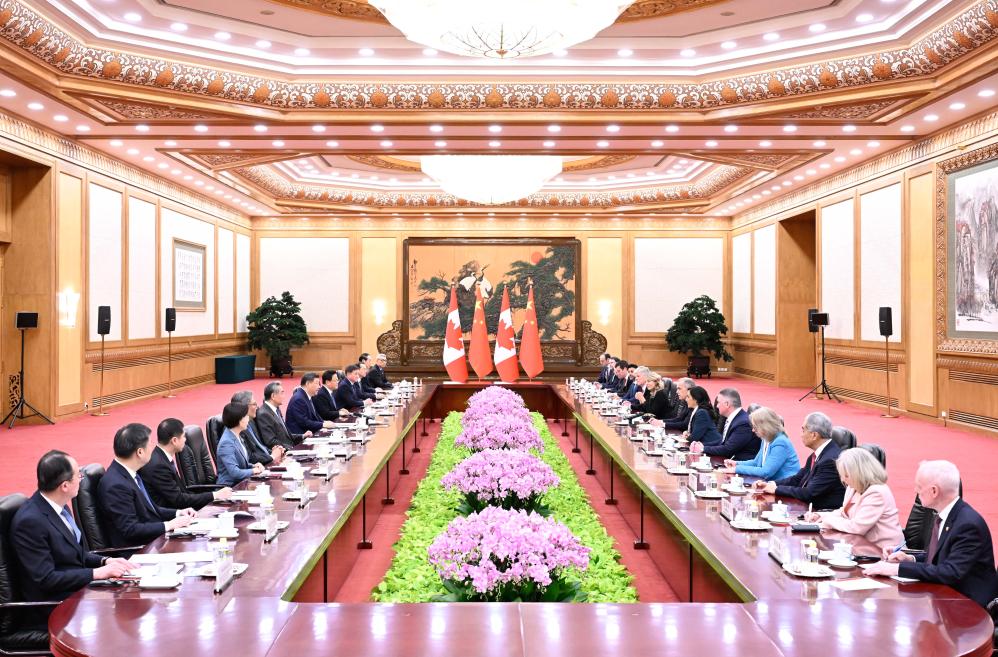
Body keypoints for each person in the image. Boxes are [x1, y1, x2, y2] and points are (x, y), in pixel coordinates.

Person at [863, 460, 998, 608]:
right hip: (947, 595)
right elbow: (942, 555)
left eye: (919, 487)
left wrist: (896, 569)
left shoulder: (967, 524)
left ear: (934, 491)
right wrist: (910, 558)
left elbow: (950, 571)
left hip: (969, 607)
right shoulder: (946, 515)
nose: (916, 491)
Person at [11, 450, 136, 607]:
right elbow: (46, 579)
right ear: (64, 485)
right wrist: (96, 574)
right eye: (78, 476)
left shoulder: (59, 506)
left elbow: (74, 554)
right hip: (55, 605)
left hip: (78, 590)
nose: (80, 479)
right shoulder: (30, 522)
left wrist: (105, 561)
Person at [97, 423, 195, 548]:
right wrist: (168, 525)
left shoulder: (130, 473)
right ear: (140, 452)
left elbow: (151, 510)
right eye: (150, 444)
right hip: (137, 550)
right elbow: (130, 530)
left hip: (152, 541)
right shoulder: (116, 485)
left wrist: (178, 513)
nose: (153, 448)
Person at [803, 448, 903, 552]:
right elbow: (844, 512)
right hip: (862, 547)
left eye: (846, 476)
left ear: (860, 473)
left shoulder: (877, 492)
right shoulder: (853, 487)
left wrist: (828, 521)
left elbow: (857, 527)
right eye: (842, 475)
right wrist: (820, 516)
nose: (843, 480)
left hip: (884, 551)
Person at [755, 411, 845, 510]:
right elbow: (798, 478)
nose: (801, 435)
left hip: (820, 513)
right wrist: (772, 484)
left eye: (803, 430)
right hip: (808, 507)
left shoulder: (829, 460)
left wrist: (777, 490)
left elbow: (809, 492)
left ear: (814, 435)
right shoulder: (817, 454)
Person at [139, 418, 232, 510]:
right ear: (174, 441)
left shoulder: (160, 456)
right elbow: (178, 500)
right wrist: (215, 495)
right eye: (183, 436)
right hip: (172, 516)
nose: (185, 440)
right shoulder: (158, 466)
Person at [720, 407, 799, 481]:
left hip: (784, 486)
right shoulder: (766, 439)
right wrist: (736, 463)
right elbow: (756, 462)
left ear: (765, 426)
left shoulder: (780, 442)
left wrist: (736, 469)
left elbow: (766, 472)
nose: (753, 430)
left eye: (755, 427)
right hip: (770, 483)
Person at [699, 388, 760, 460]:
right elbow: (723, 442)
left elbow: (728, 449)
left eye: (718, 402)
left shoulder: (743, 423)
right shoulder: (735, 418)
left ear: (727, 404)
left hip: (741, 465)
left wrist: (703, 448)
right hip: (731, 461)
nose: (717, 406)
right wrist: (702, 445)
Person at [216, 402, 265, 487]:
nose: (248, 419)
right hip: (229, 487)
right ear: (238, 419)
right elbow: (234, 472)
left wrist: (253, 466)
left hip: (241, 483)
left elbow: (241, 464)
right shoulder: (226, 443)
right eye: (246, 416)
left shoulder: (237, 435)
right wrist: (253, 471)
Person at [231, 391, 284, 466]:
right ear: (244, 407)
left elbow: (261, 446)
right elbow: (250, 457)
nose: (257, 407)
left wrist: (274, 451)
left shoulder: (251, 421)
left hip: (266, 462)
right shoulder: (238, 429)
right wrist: (272, 456)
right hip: (256, 468)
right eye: (254, 404)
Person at [256, 381, 310, 450]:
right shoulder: (264, 414)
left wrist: (303, 436)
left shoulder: (276, 409)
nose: (284, 396)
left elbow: (286, 435)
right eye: (282, 393)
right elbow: (271, 441)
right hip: (283, 452)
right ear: (273, 396)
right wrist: (291, 448)